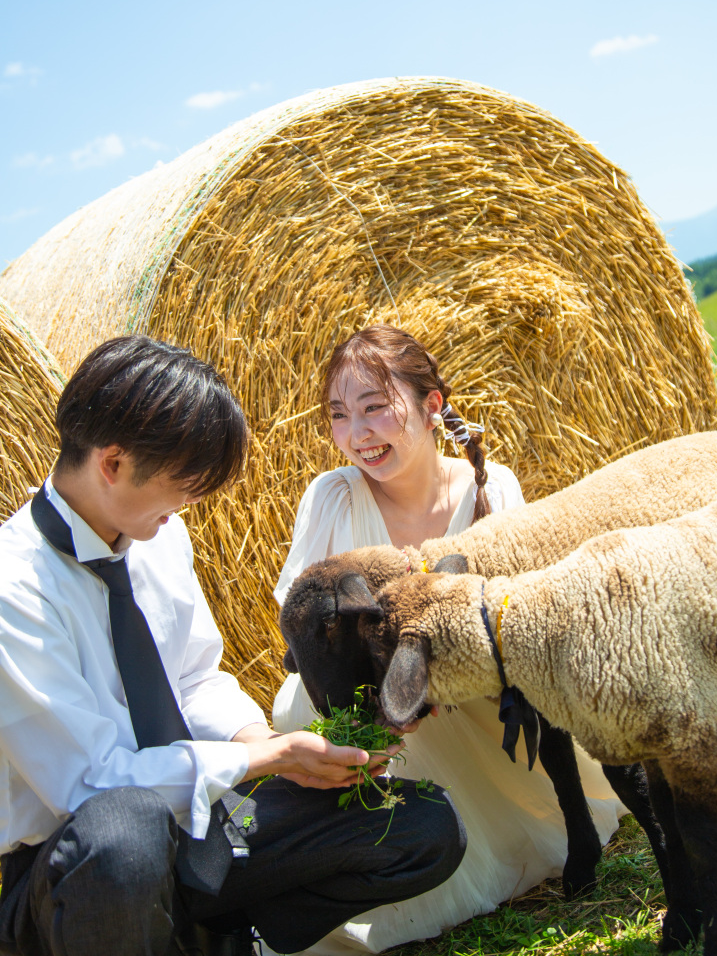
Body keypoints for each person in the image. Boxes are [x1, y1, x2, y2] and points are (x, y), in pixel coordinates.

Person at [0, 336, 465, 956]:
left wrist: (266, 743)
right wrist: (261, 763)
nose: (191, 502)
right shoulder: (16, 588)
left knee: (424, 825)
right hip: (75, 873)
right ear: (112, 463)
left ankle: (230, 938)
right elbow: (90, 785)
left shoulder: (159, 537)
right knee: (125, 832)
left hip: (205, 822)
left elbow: (194, 678)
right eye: (184, 482)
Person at [272, 325, 626, 954]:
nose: (357, 434)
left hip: (483, 705)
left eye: (375, 407)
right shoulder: (331, 497)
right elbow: (304, 623)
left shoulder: (493, 490)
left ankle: (500, 831)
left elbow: (522, 619)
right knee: (299, 705)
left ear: (433, 406)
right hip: (382, 715)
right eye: (339, 415)